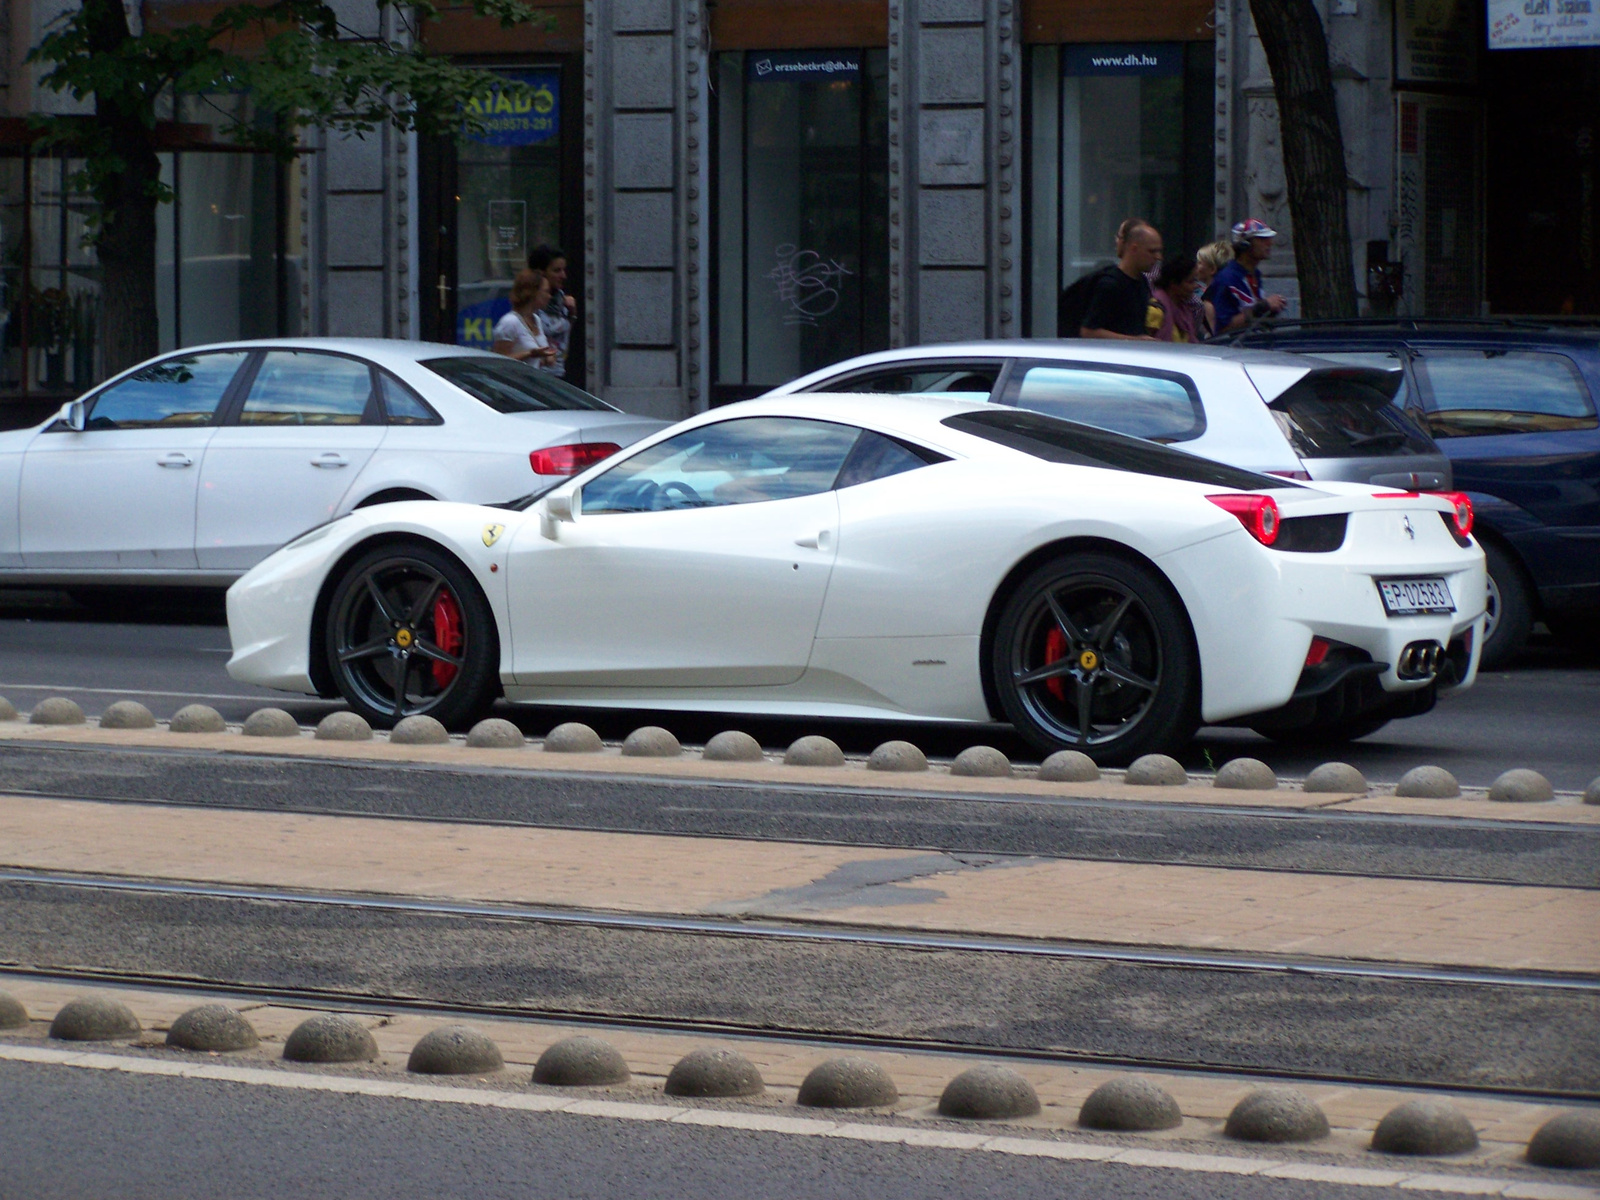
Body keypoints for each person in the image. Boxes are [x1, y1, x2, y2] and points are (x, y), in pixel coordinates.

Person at [1080, 222, 1163, 340]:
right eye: (1152, 251)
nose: (1158, 257)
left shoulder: (1142, 281)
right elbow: (1088, 331)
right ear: (1134, 248)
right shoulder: (1110, 284)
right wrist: (1136, 340)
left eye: (1158, 251)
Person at [1205, 219, 1288, 333]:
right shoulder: (1226, 279)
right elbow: (1222, 328)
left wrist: (1270, 311)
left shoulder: (1255, 274)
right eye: (1262, 239)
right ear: (1245, 245)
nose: (1270, 243)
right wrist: (1262, 307)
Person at [491, 269, 558, 365]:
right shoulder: (510, 322)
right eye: (546, 291)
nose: (549, 296)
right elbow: (498, 361)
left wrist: (547, 358)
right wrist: (529, 354)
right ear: (532, 293)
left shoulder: (536, 319)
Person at [527, 244, 575, 375]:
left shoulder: (561, 301)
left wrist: (572, 314)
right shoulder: (529, 305)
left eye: (563, 270)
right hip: (538, 374)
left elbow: (563, 338)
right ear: (541, 273)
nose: (563, 276)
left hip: (558, 371)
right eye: (556, 270)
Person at [1149, 253, 1204, 343]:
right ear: (1174, 284)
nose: (1196, 286)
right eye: (1190, 282)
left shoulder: (1184, 311)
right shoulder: (1155, 310)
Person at [1195, 240, 1232, 337]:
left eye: (1199, 263)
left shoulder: (1208, 301)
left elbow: (1216, 335)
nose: (1196, 267)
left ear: (1212, 270)